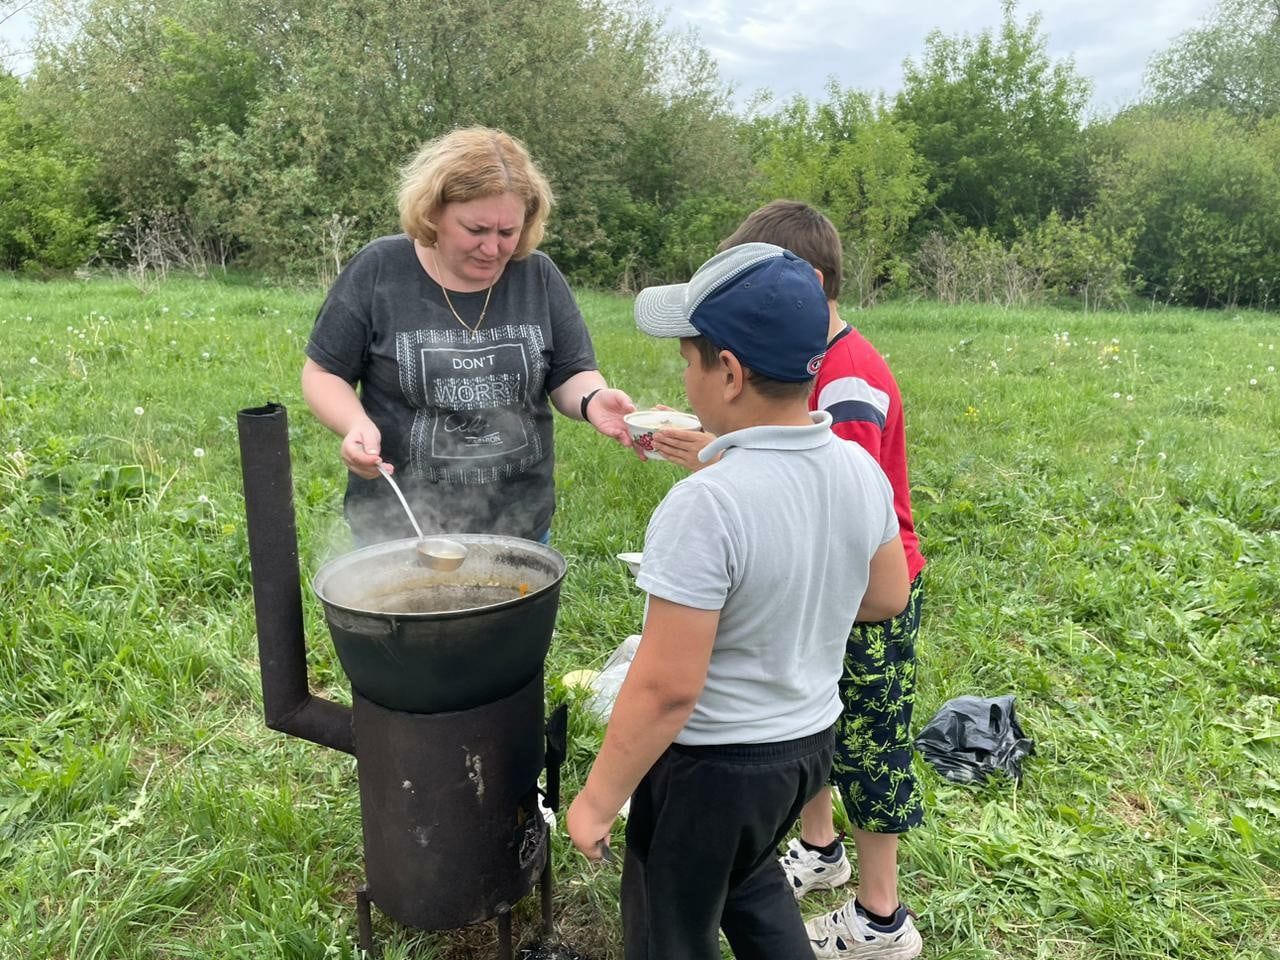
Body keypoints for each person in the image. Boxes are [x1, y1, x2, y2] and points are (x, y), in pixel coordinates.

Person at [566, 242, 909, 960]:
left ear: (727, 372)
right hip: (807, 750)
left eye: (688, 359)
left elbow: (665, 690)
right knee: (747, 877)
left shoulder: (708, 504)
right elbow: (887, 594)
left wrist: (597, 801)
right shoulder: (856, 468)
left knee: (672, 923)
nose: (684, 376)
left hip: (709, 771)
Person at [654, 201, 927, 959]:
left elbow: (826, 498)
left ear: (804, 284)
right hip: (828, 576)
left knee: (869, 745)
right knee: (811, 709)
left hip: (866, 589)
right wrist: (719, 445)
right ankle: (817, 846)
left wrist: (719, 453)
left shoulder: (851, 386)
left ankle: (880, 914)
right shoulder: (805, 367)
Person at [302, 126, 636, 545]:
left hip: (518, 523)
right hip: (399, 523)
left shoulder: (538, 276)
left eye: (507, 233)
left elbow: (570, 372)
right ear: (433, 213)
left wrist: (592, 400)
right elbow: (323, 373)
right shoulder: (379, 271)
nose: (493, 249)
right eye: (476, 230)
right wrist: (355, 424)